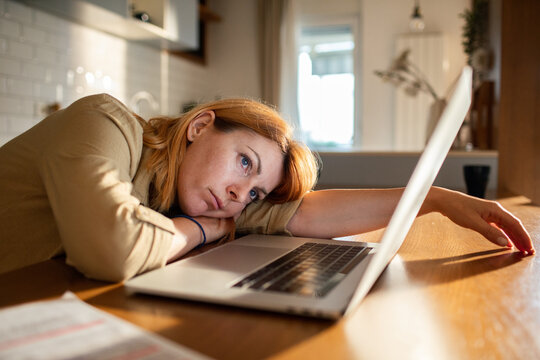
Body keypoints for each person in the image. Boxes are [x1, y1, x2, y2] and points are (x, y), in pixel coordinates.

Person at [0, 94, 534, 282]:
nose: (240, 196)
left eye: (255, 192)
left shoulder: (197, 192)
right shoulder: (105, 122)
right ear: (200, 125)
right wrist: (198, 232)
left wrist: (433, 200)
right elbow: (115, 248)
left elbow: (305, 214)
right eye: (244, 163)